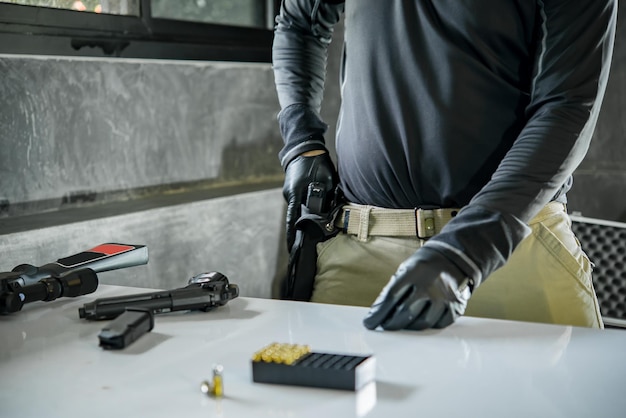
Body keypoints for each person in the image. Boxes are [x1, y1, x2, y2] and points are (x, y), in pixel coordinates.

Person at [272, 0, 617, 331]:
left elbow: (568, 105)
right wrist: (302, 143)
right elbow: (298, 22)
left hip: (516, 252)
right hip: (360, 253)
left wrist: (465, 251)